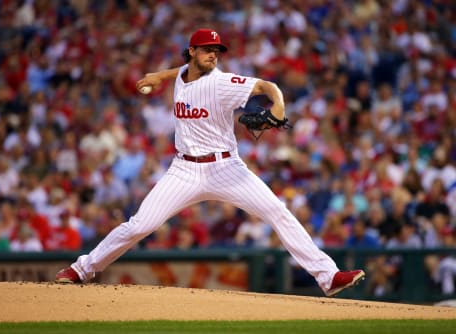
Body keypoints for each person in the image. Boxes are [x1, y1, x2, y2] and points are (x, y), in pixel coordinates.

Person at [55, 28, 364, 297]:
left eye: (216, 50)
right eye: (207, 49)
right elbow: (180, 73)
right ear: (193, 51)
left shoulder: (221, 82)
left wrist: (279, 104)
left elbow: (265, 87)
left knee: (277, 211)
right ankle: (82, 269)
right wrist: (159, 76)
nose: (213, 54)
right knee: (140, 225)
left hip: (226, 168)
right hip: (184, 170)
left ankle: (329, 276)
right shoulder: (182, 74)